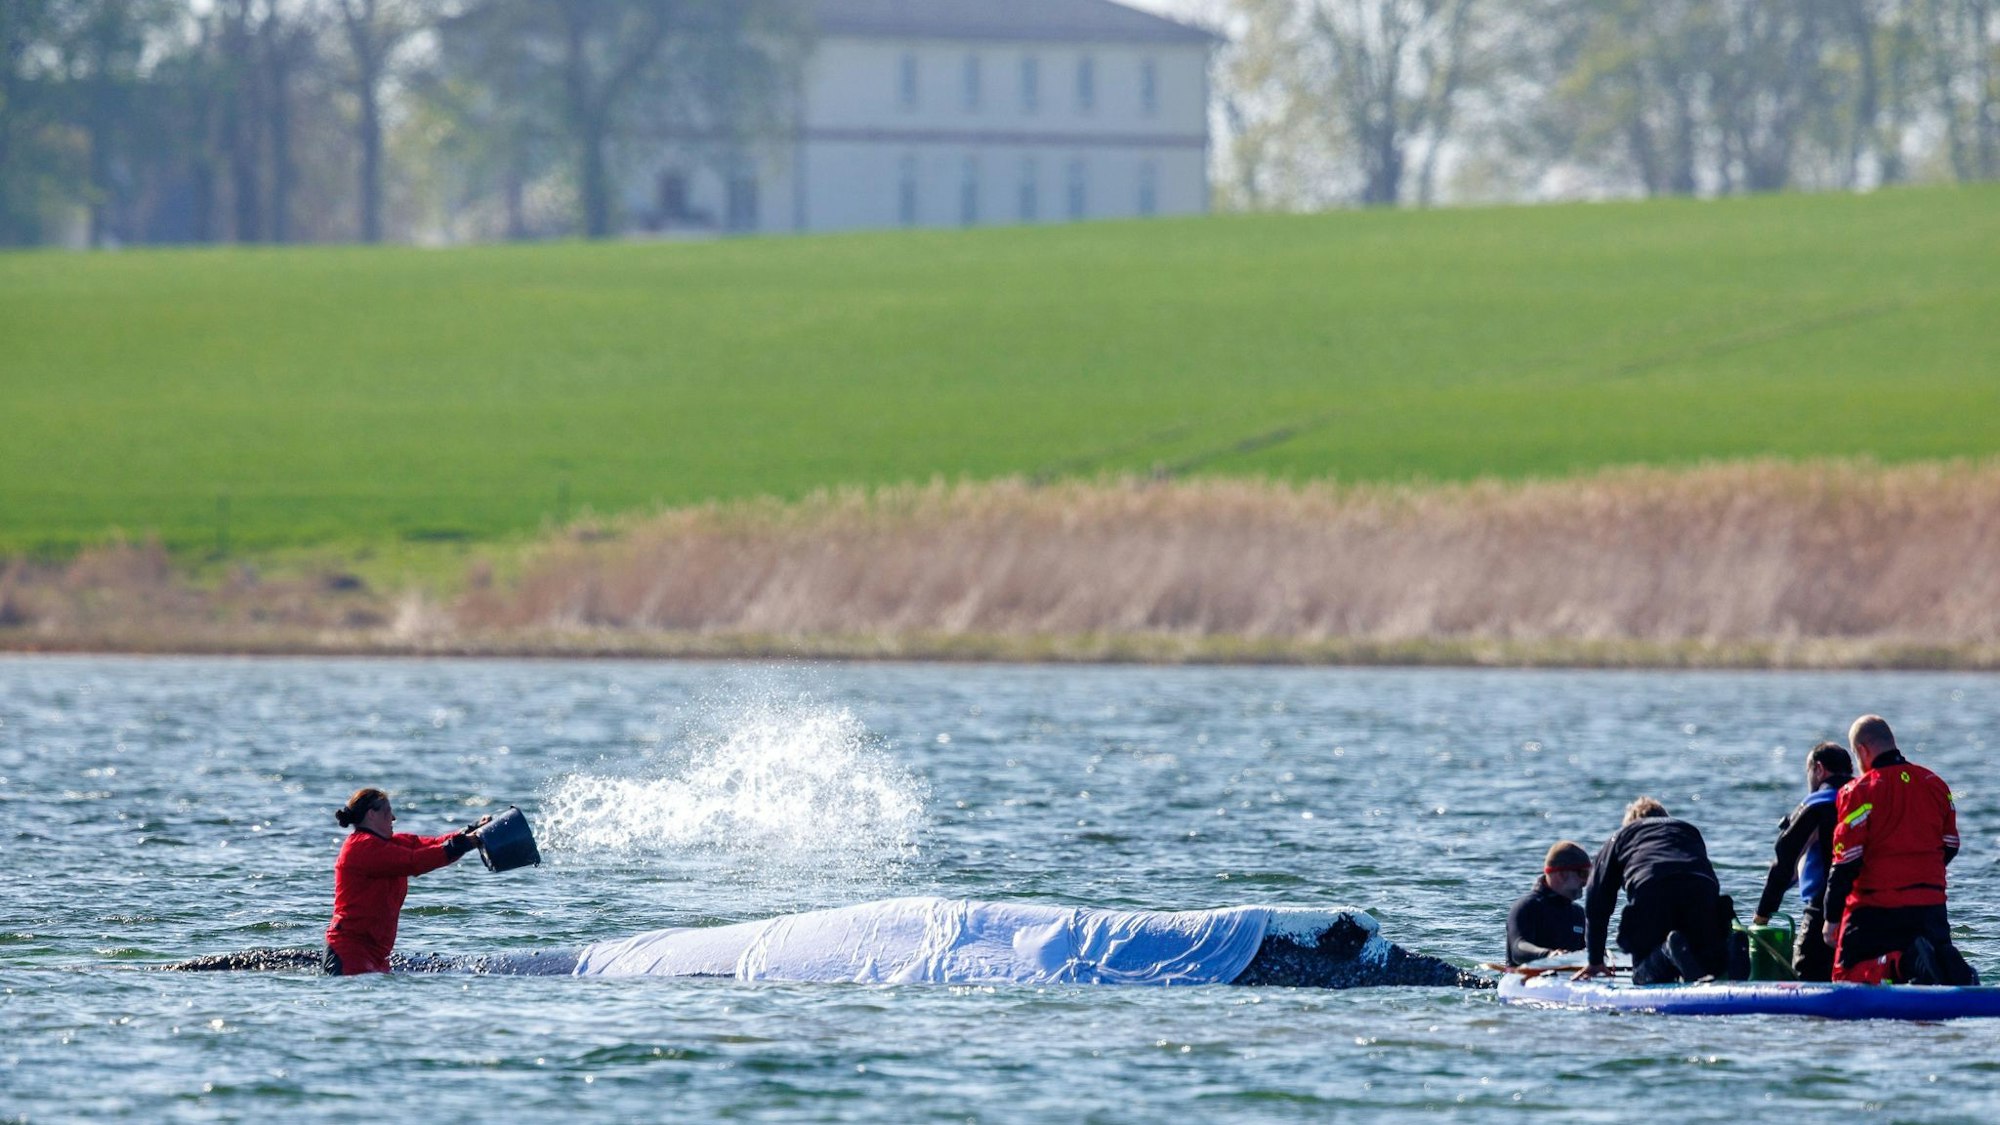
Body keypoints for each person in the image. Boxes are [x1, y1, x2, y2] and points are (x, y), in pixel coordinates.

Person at [1821, 715, 1976, 986]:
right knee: (1931, 966)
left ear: (1862, 751)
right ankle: (1949, 962)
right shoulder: (1935, 783)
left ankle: (1903, 963)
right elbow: (1950, 845)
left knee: (1844, 976)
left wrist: (1831, 919)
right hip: (1931, 906)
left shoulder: (1858, 791)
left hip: (1876, 909)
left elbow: (1846, 862)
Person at [324, 788, 486, 976]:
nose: (393, 818)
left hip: (377, 954)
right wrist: (463, 844)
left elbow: (433, 844)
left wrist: (471, 831)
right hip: (350, 951)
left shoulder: (391, 842)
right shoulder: (361, 847)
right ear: (371, 815)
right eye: (387, 812)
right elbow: (414, 861)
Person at [1575, 797, 1727, 985]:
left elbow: (1597, 900)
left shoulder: (1622, 835)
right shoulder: (1687, 830)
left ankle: (1668, 950)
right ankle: (1733, 948)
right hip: (1702, 889)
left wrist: (1595, 960)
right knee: (1706, 961)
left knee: (1642, 975)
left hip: (1653, 887)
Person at [1750, 741, 1854, 981]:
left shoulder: (1817, 804)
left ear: (1818, 769)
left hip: (1824, 909)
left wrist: (1763, 913)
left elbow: (1784, 864)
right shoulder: (1868, 800)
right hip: (1872, 906)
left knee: (1808, 978)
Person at [1506, 841, 1590, 966]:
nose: (1586, 882)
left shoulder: (1578, 913)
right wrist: (1548, 955)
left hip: (1566, 978)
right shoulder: (1526, 907)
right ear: (1561, 874)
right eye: (1583, 874)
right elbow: (1518, 949)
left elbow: (1582, 954)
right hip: (1524, 978)